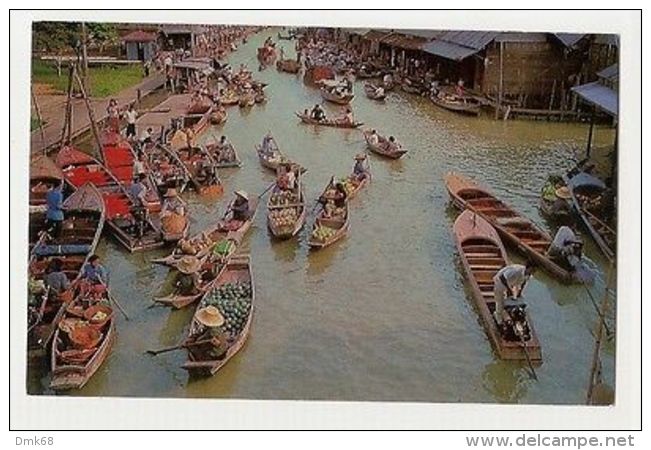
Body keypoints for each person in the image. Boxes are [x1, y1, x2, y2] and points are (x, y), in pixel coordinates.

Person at [492, 261, 536, 326]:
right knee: (499, 302)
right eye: (532, 270)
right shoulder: (516, 270)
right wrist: (509, 290)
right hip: (500, 282)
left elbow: (524, 283)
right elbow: (502, 277)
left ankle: (509, 315)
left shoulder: (528, 275)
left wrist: (519, 293)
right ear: (528, 267)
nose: (532, 272)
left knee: (516, 301)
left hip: (512, 282)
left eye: (534, 270)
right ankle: (498, 317)